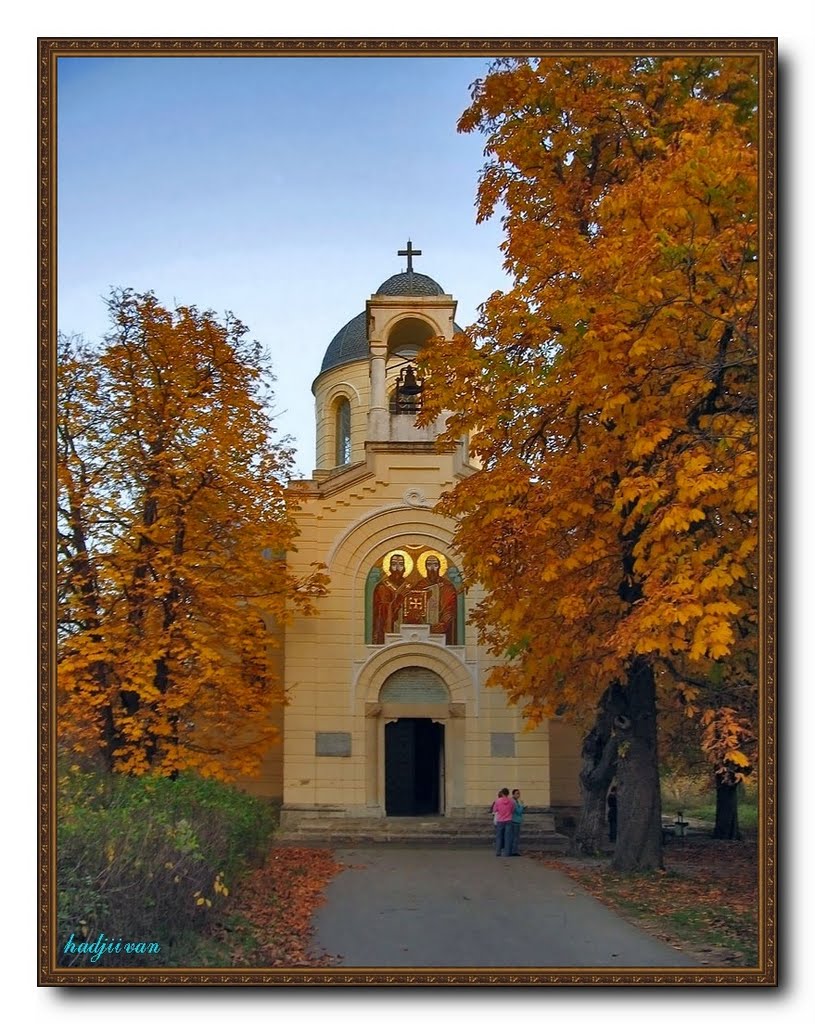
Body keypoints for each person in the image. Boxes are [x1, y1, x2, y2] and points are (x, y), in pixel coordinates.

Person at [372, 553, 412, 644]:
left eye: (401, 564)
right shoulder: (383, 587)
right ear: (389, 567)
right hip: (389, 630)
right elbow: (380, 611)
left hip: (408, 631)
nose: (397, 568)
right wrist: (397, 601)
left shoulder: (410, 587)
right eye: (394, 564)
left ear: (405, 567)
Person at [491, 787, 515, 857]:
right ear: (508, 793)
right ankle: (507, 852)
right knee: (507, 837)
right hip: (509, 820)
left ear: (502, 793)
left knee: (499, 836)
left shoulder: (497, 801)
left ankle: (498, 852)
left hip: (500, 820)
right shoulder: (512, 801)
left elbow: (495, 810)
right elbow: (512, 810)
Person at [510, 788, 525, 856]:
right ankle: (514, 851)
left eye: (519, 793)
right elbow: (518, 812)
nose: (519, 795)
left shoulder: (515, 801)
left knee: (513, 836)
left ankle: (512, 850)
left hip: (515, 820)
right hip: (515, 821)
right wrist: (522, 806)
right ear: (513, 794)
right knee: (515, 837)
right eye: (517, 793)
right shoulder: (514, 802)